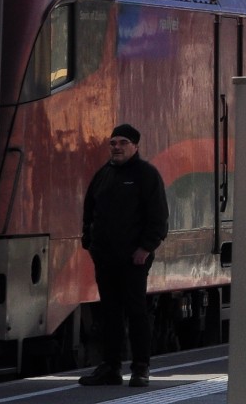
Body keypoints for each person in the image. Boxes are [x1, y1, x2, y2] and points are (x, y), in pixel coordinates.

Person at [79, 124, 169, 387]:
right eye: (113, 143)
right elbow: (89, 211)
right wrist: (90, 242)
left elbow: (158, 217)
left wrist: (145, 248)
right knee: (110, 313)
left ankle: (141, 368)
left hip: (134, 259)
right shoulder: (103, 175)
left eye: (122, 143)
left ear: (135, 146)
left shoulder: (146, 175)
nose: (116, 147)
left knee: (137, 311)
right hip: (105, 259)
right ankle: (111, 367)